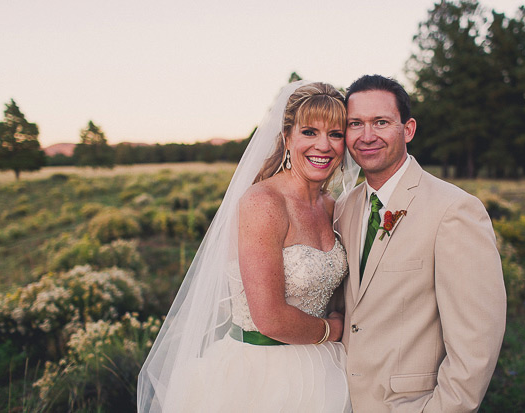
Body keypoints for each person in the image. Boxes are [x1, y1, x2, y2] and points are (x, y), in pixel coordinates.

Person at [138, 81, 360, 412]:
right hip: (262, 376)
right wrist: (336, 329)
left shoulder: (331, 206)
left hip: (326, 368)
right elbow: (269, 317)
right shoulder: (263, 203)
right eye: (310, 132)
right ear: (288, 138)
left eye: (336, 134)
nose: (323, 145)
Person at [334, 74, 507, 412]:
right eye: (355, 124)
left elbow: (476, 345)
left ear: (408, 129)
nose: (367, 136)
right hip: (339, 400)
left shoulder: (454, 211)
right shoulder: (344, 209)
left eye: (380, 122)